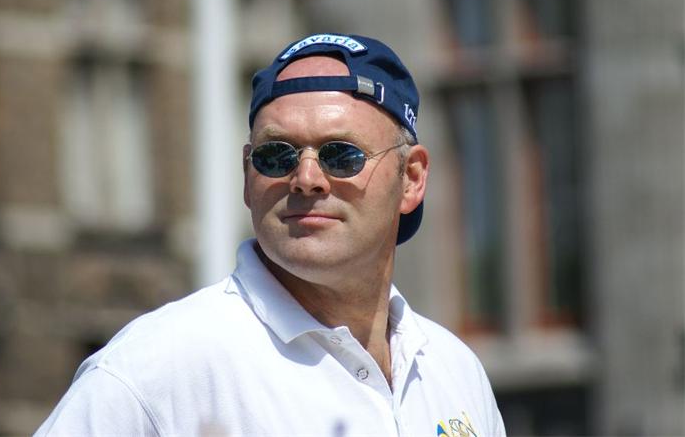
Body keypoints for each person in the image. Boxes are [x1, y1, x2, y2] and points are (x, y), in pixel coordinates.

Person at [35, 34, 505, 436]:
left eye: (341, 156)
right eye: (276, 156)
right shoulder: (157, 369)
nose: (306, 179)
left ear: (412, 179)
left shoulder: (453, 371)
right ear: (247, 176)